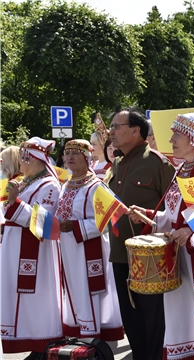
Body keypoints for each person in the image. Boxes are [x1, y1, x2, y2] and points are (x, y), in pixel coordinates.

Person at [128, 112, 194, 359]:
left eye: (177, 135)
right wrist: (151, 215)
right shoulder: (182, 169)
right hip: (179, 257)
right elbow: (175, 216)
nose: (170, 140)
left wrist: (190, 232)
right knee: (179, 316)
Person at [108, 107, 176, 360]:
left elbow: (175, 207)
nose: (111, 131)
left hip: (151, 259)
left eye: (116, 126)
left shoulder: (157, 162)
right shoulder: (116, 162)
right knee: (131, 319)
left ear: (135, 130)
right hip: (120, 253)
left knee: (153, 321)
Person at [56, 139, 124, 341]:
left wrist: (76, 227)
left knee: (90, 290)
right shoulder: (66, 184)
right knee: (74, 289)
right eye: (67, 153)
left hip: (88, 247)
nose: (69, 157)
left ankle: (92, 337)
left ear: (86, 158)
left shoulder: (96, 186)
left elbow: (111, 218)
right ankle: (79, 333)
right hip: (68, 248)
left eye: (74, 154)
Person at [1, 137, 63, 357]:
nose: (20, 164)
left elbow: (46, 223)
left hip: (36, 251)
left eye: (24, 159)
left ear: (35, 159)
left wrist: (15, 201)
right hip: (14, 246)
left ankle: (42, 342)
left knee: (35, 297)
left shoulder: (49, 185)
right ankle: (30, 343)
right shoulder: (26, 181)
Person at [90, 116, 111, 180]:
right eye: (91, 143)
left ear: (104, 145)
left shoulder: (111, 165)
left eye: (94, 144)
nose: (91, 147)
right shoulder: (93, 165)